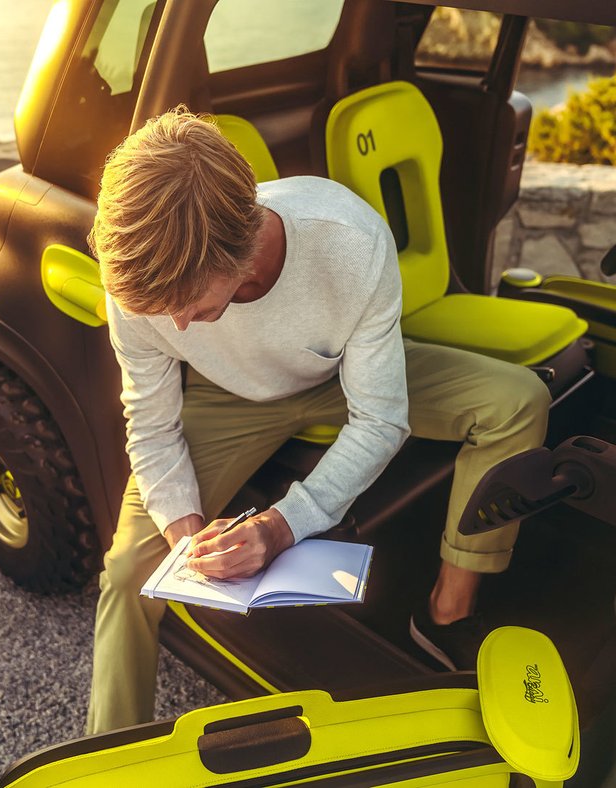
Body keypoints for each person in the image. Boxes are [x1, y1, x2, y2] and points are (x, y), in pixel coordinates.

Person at [84, 107, 551, 735]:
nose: (175, 328)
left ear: (240, 248)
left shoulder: (349, 242)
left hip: (337, 375)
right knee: (125, 572)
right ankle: (109, 756)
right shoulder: (137, 275)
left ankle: (446, 612)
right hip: (225, 399)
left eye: (186, 305)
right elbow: (150, 418)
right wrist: (185, 543)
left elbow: (381, 418)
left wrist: (281, 527)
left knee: (518, 400)